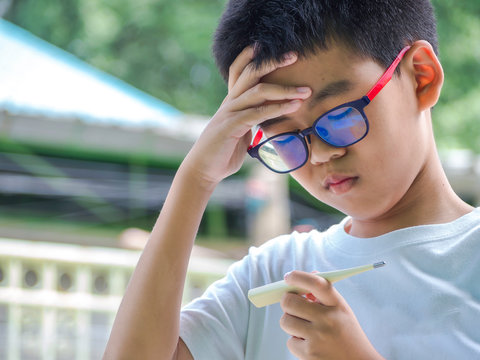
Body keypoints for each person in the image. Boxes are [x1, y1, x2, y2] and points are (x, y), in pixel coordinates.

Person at [104, 0, 480, 359]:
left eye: (339, 118)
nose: (318, 154)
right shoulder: (274, 275)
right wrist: (196, 178)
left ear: (421, 76)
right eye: (286, 140)